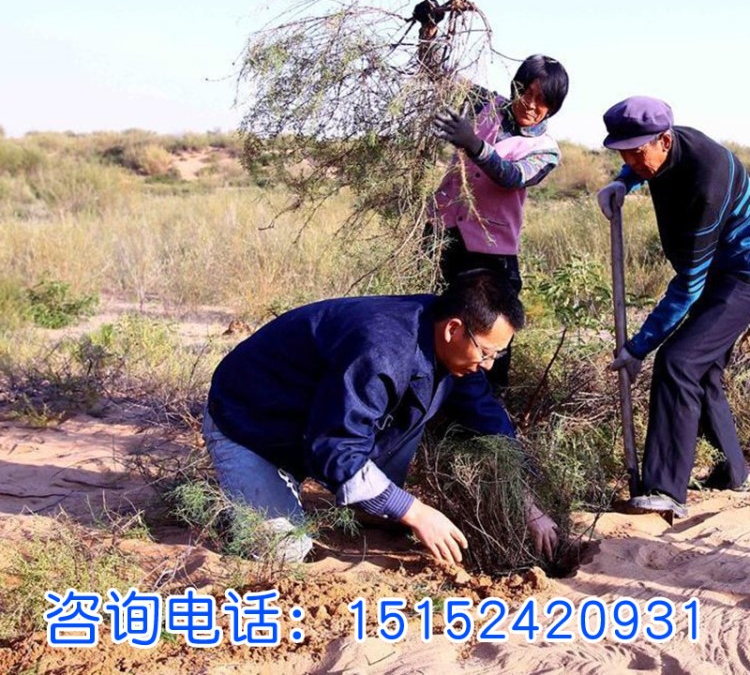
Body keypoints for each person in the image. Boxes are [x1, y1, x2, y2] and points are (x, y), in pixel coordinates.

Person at [202, 270, 559, 563]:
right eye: (485, 352)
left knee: (380, 505)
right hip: (250, 424)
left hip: (312, 422)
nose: (488, 364)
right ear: (453, 328)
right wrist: (417, 512)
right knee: (284, 552)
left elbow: (487, 422)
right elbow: (336, 448)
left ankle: (323, 487)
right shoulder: (382, 350)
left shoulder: (451, 348)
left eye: (497, 354)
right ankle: (237, 504)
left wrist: (527, 503)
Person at [597, 96, 750, 518]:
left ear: (664, 140)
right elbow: (637, 162)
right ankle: (738, 473)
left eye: (637, 152)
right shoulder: (664, 151)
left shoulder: (707, 178)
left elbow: (688, 286)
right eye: (623, 152)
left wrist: (638, 348)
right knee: (704, 370)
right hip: (719, 267)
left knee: (678, 361)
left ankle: (666, 490)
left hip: (742, 275)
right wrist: (622, 182)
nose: (632, 159)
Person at [428, 54, 570, 388]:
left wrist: (474, 144)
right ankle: (436, 395)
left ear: (553, 107)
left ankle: (489, 406)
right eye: (526, 92)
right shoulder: (484, 104)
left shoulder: (545, 150)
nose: (530, 105)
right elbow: (438, 72)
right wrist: (430, 31)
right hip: (442, 233)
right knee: (440, 316)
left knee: (492, 326)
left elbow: (511, 176)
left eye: (542, 101)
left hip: (489, 251)